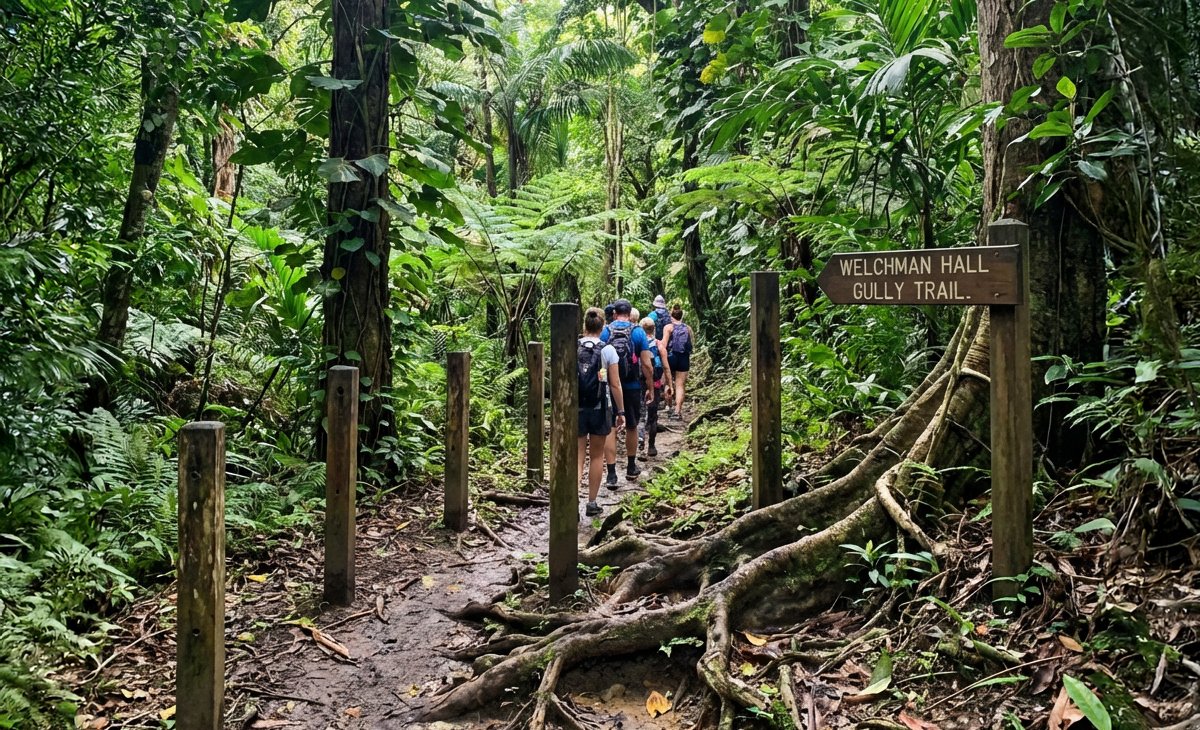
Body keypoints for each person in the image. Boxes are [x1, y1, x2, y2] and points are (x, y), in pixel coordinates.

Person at [577, 307, 625, 517]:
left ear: (584, 325)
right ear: (603, 326)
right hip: (600, 408)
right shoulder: (608, 350)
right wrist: (620, 410)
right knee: (596, 456)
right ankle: (591, 502)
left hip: (576, 408)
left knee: (577, 456)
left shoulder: (573, 347)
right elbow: (614, 384)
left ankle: (571, 504)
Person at [601, 299, 654, 485]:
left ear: (615, 313)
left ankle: (611, 474)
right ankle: (631, 467)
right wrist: (650, 387)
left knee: (610, 428)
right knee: (632, 425)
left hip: (609, 386)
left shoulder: (605, 331)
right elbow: (647, 364)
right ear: (630, 313)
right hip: (632, 386)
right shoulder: (638, 332)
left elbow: (598, 361)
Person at [639, 317, 672, 456]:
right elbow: (666, 367)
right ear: (654, 329)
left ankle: (639, 444)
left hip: (639, 384)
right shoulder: (659, 345)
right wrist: (670, 384)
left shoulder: (638, 344)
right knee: (653, 416)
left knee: (640, 415)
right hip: (656, 384)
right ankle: (651, 447)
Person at [662, 305, 693, 420]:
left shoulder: (668, 327)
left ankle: (669, 407)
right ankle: (677, 411)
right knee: (680, 385)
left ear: (671, 315)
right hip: (684, 357)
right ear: (681, 316)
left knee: (668, 383)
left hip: (671, 357)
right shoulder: (688, 328)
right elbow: (691, 345)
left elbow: (664, 344)